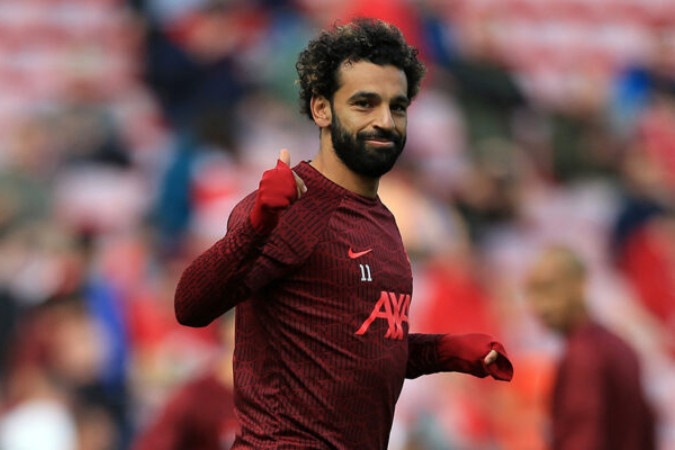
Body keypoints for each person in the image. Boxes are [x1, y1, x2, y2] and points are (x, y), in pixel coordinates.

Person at [174, 18, 513, 449]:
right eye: (364, 104)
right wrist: (258, 223)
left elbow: (357, 348)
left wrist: (447, 351)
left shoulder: (383, 220)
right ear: (321, 108)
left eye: (398, 106)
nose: (385, 121)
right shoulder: (290, 205)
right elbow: (189, 305)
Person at [524, 245, 656, 450]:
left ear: (579, 285)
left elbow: (582, 438)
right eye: (532, 293)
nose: (538, 305)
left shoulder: (583, 356)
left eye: (548, 288)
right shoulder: (619, 345)